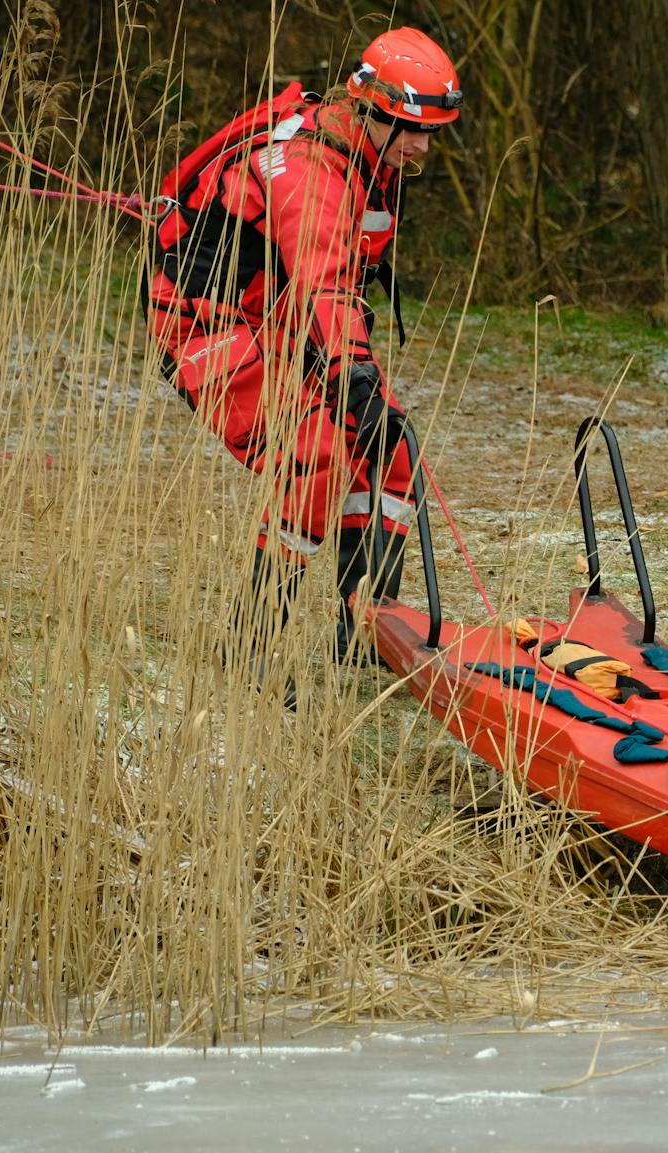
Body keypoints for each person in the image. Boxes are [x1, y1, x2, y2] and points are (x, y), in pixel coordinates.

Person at [146, 27, 463, 701]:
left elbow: (335, 289)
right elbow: (324, 280)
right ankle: (251, 647)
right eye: (412, 128)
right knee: (313, 452)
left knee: (394, 453)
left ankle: (366, 638)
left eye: (432, 132)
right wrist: (354, 375)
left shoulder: (370, 165)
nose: (424, 147)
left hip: (288, 328)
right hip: (205, 323)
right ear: (372, 107)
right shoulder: (312, 173)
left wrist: (363, 387)